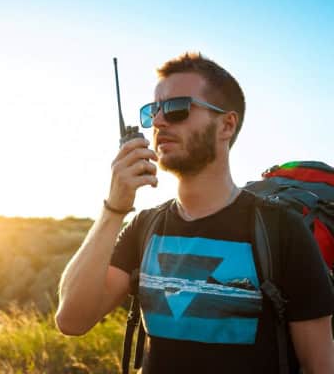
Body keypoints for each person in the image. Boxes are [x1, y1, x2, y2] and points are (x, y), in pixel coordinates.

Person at [55, 52, 334, 373]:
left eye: (177, 109)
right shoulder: (144, 227)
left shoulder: (281, 231)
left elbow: (319, 366)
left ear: (226, 125)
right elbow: (72, 320)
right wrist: (114, 208)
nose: (158, 121)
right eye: (152, 111)